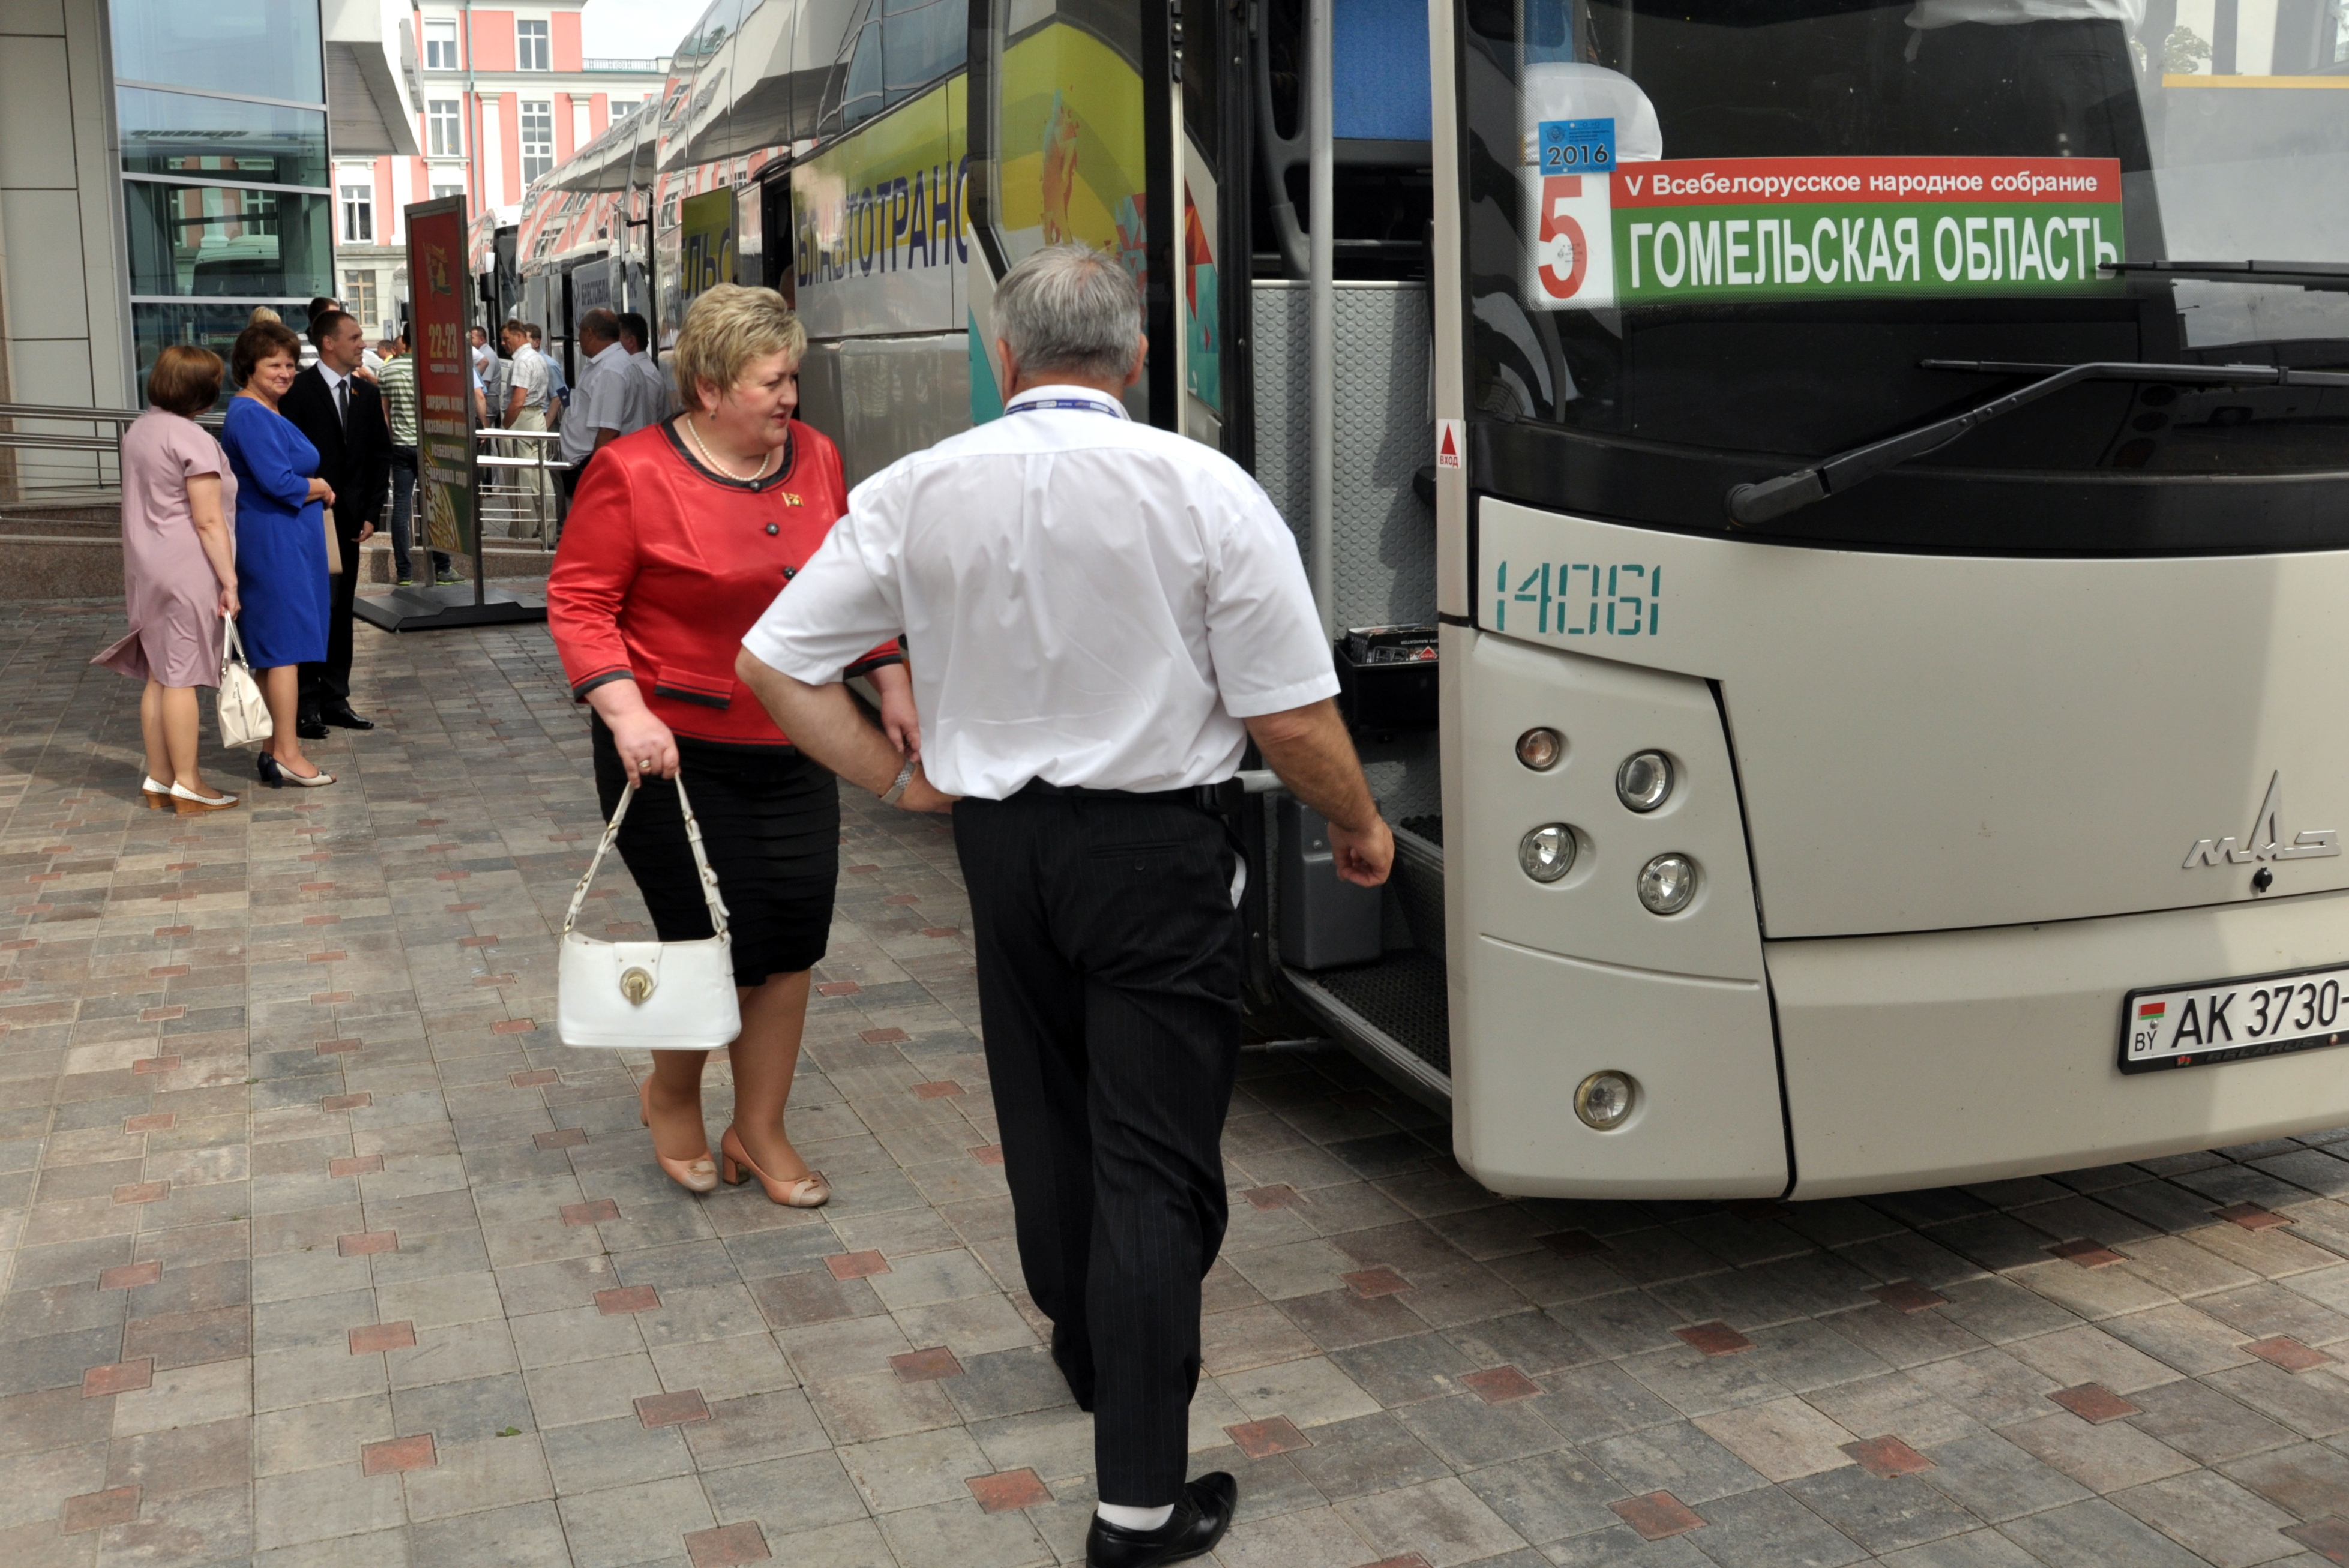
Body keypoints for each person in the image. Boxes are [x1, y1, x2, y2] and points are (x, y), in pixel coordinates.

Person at [735, 244, 1395, 1568]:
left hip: (1002, 848)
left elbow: (771, 662)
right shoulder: (1203, 487)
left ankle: (1094, 1338)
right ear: (1137, 361)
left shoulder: (917, 490)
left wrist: (899, 781)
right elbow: (1289, 712)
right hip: (1154, 854)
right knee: (1155, 1165)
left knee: (1044, 1109)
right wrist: (1358, 821)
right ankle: (1139, 1506)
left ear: (1004, 357)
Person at [547, 283, 918, 1206]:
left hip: (797, 742)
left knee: (789, 940)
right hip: (671, 754)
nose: (790, 398)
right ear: (709, 387)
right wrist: (627, 714)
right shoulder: (632, 473)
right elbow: (582, 602)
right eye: (771, 381)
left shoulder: (817, 459)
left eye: (793, 378)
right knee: (708, 940)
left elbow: (847, 588)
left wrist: (893, 682)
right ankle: (671, 1094)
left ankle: (760, 1128)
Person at [92, 346, 242, 814]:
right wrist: (230, 580)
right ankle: (189, 781)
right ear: (205, 389)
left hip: (147, 564)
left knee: (159, 675)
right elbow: (208, 521)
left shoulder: (140, 429)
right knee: (181, 676)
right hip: (186, 565)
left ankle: (160, 778)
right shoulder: (192, 439)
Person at [219, 320, 337, 789]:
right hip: (273, 543)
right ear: (250, 367)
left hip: (282, 540)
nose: (285, 372)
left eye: (291, 363)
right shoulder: (250, 415)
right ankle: (288, 751)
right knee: (283, 648)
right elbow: (277, 481)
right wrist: (320, 486)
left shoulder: (265, 410)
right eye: (275, 364)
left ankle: (274, 750)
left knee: (276, 650)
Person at [280, 308, 388, 736]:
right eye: (355, 336)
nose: (363, 343)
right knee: (311, 607)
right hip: (306, 520)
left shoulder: (363, 391)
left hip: (349, 523)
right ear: (329, 343)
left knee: (342, 610)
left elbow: (380, 456)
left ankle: (335, 697)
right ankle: (305, 702)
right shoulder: (297, 393)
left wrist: (371, 513)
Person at [376, 334, 455, 587]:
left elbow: (384, 414)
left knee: (401, 507)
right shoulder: (431, 368)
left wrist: (392, 441)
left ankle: (404, 573)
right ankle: (443, 569)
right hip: (429, 446)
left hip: (400, 446)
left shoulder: (387, 370)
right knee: (434, 505)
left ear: (403, 344)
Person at [557, 308, 630, 518]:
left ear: (589, 333)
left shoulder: (611, 369)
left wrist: (594, 476)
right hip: (590, 464)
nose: (577, 338)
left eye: (579, 332)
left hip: (597, 466)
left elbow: (609, 430)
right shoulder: (605, 365)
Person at [499, 319, 555, 536]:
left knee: (519, 479)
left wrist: (505, 427)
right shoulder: (537, 357)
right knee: (541, 478)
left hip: (521, 419)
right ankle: (548, 531)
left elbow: (518, 400)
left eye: (506, 339)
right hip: (537, 418)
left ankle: (523, 532)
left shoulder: (522, 360)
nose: (504, 343)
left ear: (519, 337)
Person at [618, 311, 672, 433]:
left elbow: (645, 425)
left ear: (631, 342)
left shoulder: (644, 374)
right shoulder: (640, 370)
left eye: (616, 339)